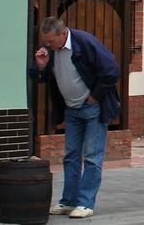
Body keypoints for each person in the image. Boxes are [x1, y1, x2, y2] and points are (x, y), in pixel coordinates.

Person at [31, 17, 120, 220]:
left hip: (93, 109)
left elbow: (111, 71)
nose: (48, 45)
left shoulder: (85, 42)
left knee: (91, 157)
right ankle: (68, 201)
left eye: (51, 41)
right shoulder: (51, 50)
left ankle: (85, 203)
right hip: (71, 109)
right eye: (46, 41)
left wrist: (95, 95)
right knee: (71, 156)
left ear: (63, 34)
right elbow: (37, 77)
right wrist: (41, 66)